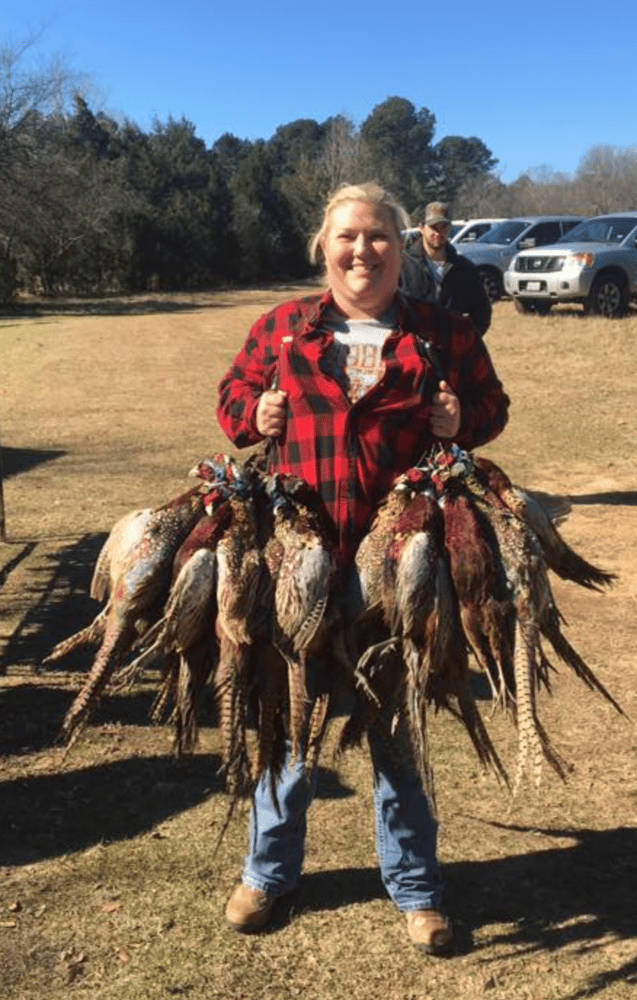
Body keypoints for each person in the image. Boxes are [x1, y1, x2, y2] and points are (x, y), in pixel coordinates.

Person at [216, 182, 509, 956]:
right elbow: (231, 396)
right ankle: (268, 875)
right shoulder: (282, 327)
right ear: (323, 246)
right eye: (347, 236)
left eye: (379, 236)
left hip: (400, 562)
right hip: (301, 559)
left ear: (401, 245)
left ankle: (415, 888)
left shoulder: (440, 331)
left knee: (398, 730)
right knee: (288, 722)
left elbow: (491, 405)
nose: (362, 251)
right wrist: (255, 416)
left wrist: (460, 421)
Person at [400, 201, 492, 336]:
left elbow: (482, 312)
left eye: (443, 226)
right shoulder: (403, 265)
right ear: (421, 227)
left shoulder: (465, 268)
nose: (438, 232)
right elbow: (390, 309)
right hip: (412, 350)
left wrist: (466, 342)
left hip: (452, 351)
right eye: (433, 227)